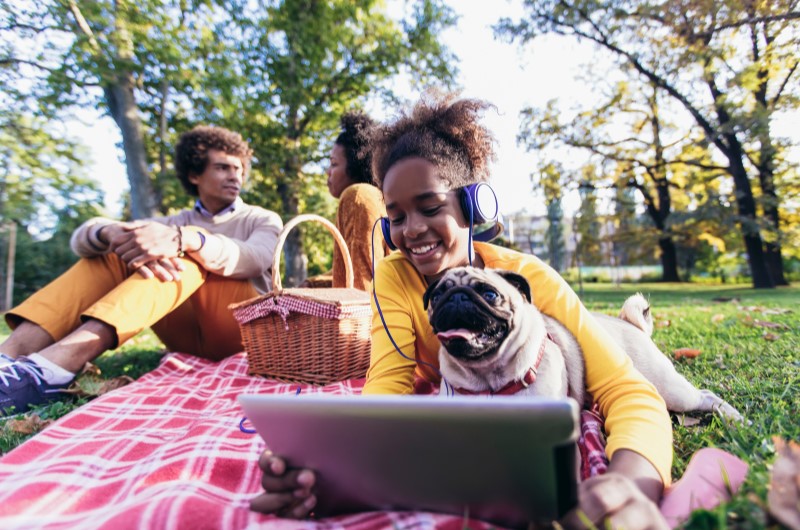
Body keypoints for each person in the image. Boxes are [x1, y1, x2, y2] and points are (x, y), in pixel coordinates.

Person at [250, 93, 673, 529]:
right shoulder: (394, 275)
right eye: (396, 217)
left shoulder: (528, 278)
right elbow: (387, 386)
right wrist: (332, 475)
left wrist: (629, 484)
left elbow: (628, 391)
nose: (413, 230)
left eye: (431, 208)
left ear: (473, 207)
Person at [0, 125, 283, 415]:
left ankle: (55, 366)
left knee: (184, 256)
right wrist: (108, 232)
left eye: (239, 169)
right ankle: (9, 356)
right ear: (194, 175)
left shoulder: (262, 219)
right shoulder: (171, 222)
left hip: (240, 333)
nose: (235, 176)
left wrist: (188, 239)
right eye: (223, 167)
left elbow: (255, 258)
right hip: (183, 336)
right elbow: (82, 238)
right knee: (116, 254)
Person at [322, 110, 388, 291]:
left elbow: (361, 283)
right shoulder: (375, 197)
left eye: (334, 164)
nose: (328, 172)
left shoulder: (358, 196)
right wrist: (310, 284)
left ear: (354, 165)